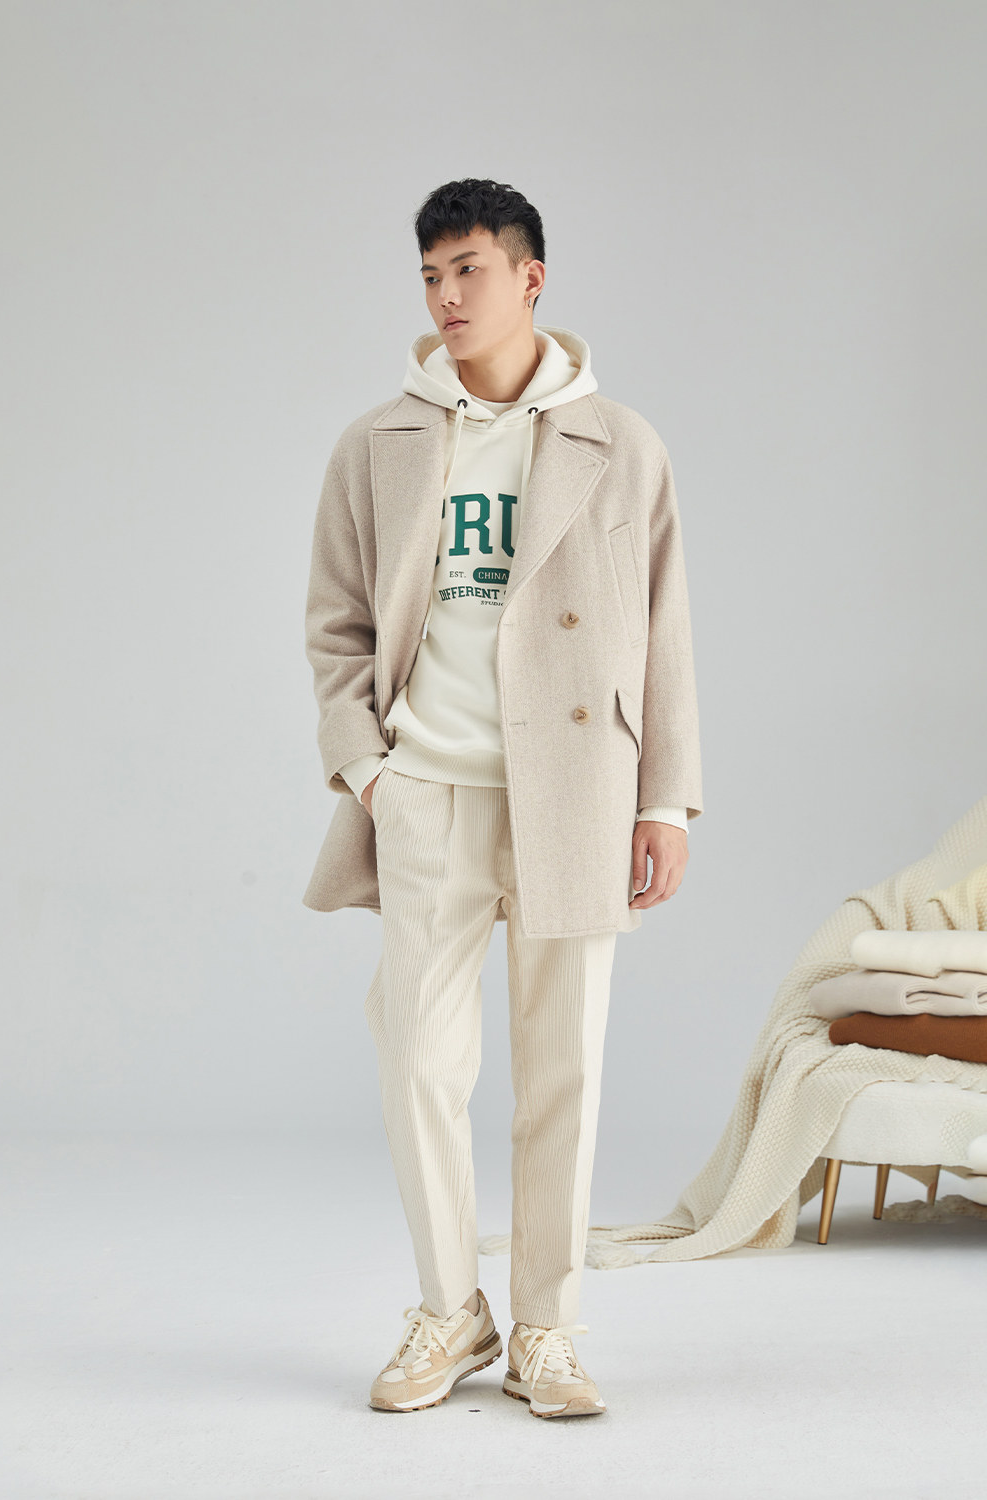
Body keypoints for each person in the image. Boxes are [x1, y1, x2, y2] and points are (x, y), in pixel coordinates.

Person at [302, 178, 704, 1418]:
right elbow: (335, 624)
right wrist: (369, 770)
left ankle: (548, 1328)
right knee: (419, 1065)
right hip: (427, 788)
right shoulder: (378, 443)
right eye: (430, 275)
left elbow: (664, 630)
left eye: (468, 270)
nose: (446, 296)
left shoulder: (620, 442)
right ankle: (449, 1309)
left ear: (531, 279)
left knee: (562, 1069)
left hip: (576, 789)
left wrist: (667, 800)